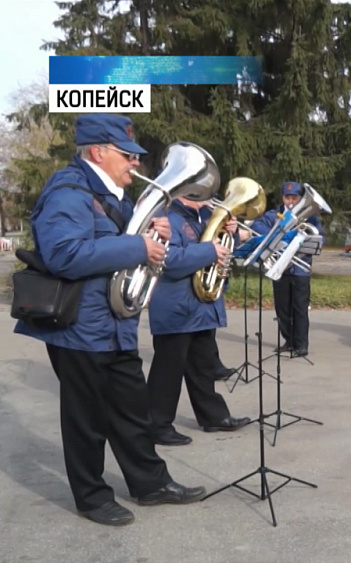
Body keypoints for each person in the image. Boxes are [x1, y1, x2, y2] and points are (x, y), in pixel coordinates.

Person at [13, 114, 206, 526]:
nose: (135, 163)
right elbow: (64, 254)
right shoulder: (68, 191)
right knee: (87, 420)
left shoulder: (112, 197)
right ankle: (92, 497)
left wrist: (155, 238)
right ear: (98, 152)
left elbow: (117, 246)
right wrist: (137, 246)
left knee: (132, 410)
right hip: (78, 327)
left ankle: (150, 483)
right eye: (127, 155)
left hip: (113, 325)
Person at [145, 196, 253, 446]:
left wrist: (232, 236)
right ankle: (157, 425)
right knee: (167, 371)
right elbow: (167, 260)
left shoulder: (205, 216)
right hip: (176, 305)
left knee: (203, 366)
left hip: (201, 306)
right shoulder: (168, 217)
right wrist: (209, 250)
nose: (208, 196)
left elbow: (221, 249)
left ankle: (213, 416)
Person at [250, 181, 324, 357]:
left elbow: (320, 239)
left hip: (300, 269)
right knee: (282, 308)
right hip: (280, 268)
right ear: (283, 197)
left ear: (300, 198)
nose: (290, 201)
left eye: (294, 197)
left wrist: (297, 242)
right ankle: (288, 341)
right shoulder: (275, 214)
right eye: (287, 197)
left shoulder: (310, 217)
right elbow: (257, 226)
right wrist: (278, 234)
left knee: (300, 308)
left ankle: (301, 344)